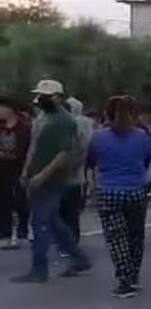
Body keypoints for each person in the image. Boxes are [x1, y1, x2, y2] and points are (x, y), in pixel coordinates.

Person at [11, 79, 92, 283]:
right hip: (37, 176)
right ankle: (79, 258)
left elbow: (64, 154)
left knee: (40, 222)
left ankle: (39, 269)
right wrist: (26, 170)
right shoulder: (43, 117)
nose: (41, 99)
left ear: (57, 97)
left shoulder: (65, 122)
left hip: (53, 179)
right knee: (53, 222)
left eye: (45, 96)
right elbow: (34, 146)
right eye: (40, 95)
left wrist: (42, 175)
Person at [88, 96, 151, 298]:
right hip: (137, 190)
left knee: (117, 239)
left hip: (109, 191)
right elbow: (147, 160)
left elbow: (90, 161)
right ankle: (134, 277)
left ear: (107, 114)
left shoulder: (98, 137)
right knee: (136, 236)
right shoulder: (142, 136)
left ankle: (124, 281)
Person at [58, 96, 93, 243]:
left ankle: (70, 239)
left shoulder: (76, 125)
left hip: (71, 174)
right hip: (64, 175)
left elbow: (83, 147)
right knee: (64, 210)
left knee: (69, 210)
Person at [0, 97, 31, 249]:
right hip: (2, 169)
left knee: (21, 200)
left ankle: (23, 231)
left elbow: (28, 149)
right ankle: (4, 234)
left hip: (20, 167)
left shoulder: (24, 128)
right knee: (3, 201)